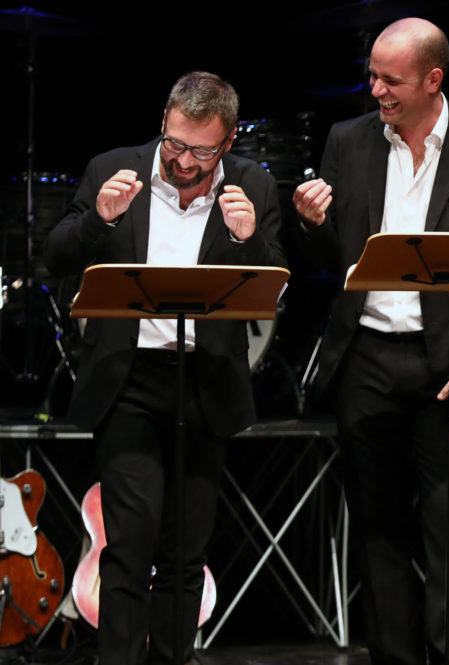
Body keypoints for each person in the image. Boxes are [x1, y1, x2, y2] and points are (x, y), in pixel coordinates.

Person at [293, 17, 449, 665]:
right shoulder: (348, 141)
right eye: (371, 75)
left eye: (389, 79)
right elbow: (330, 256)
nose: (375, 90)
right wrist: (313, 223)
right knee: (379, 529)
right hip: (365, 357)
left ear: (433, 80)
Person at [45, 71, 286, 665]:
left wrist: (249, 238)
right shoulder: (112, 168)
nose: (182, 161)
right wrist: (97, 219)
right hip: (128, 381)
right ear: (163, 122)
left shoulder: (252, 183)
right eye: (175, 144)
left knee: (185, 555)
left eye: (201, 151)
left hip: (205, 383)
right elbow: (55, 257)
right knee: (128, 546)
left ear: (227, 142)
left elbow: (273, 285)